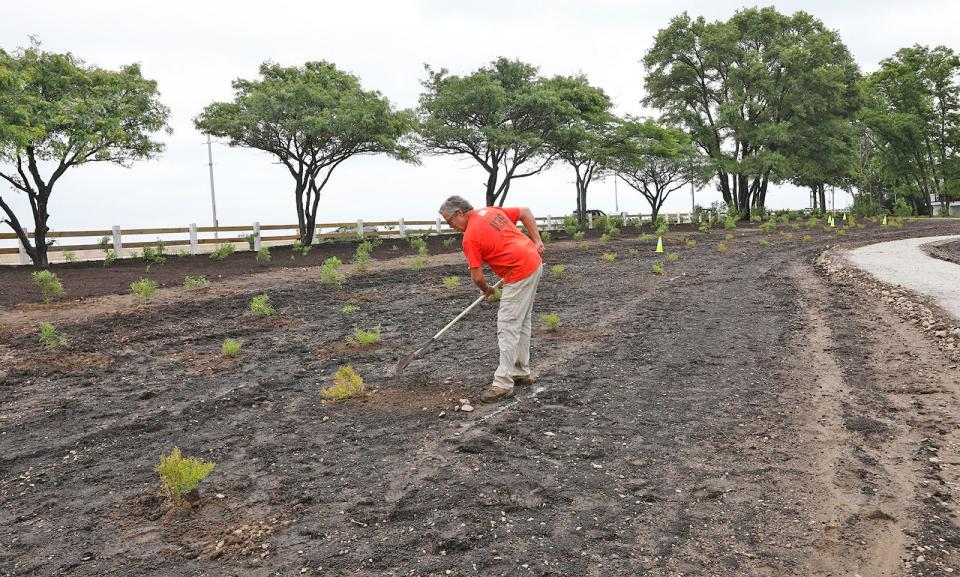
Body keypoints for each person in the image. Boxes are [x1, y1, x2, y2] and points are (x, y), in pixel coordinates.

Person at [438, 195, 545, 403]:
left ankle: (503, 383)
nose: (450, 226)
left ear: (459, 213)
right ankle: (520, 370)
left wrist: (486, 289)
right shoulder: (491, 211)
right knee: (522, 321)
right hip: (533, 262)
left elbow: (477, 277)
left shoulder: (470, 237)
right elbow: (525, 211)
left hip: (520, 271)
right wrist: (537, 240)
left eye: (450, 221)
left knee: (508, 325)